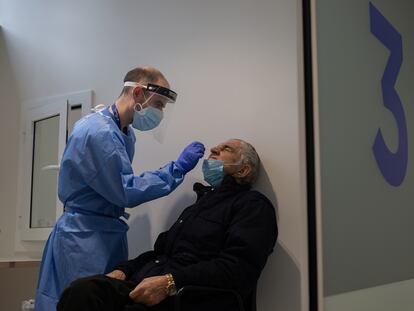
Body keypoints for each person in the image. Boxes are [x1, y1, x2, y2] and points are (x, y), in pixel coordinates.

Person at [35, 66, 205, 311]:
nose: (159, 112)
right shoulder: (98, 132)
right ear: (137, 92)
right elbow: (125, 190)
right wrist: (176, 169)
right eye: (158, 103)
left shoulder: (125, 133)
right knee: (83, 301)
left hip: (105, 232)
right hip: (84, 237)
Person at [57, 139, 278, 311]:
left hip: (187, 296)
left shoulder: (253, 206)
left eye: (225, 148)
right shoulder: (197, 207)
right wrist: (124, 270)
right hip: (149, 284)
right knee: (82, 291)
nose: (214, 148)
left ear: (243, 170)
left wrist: (170, 282)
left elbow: (238, 269)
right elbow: (160, 253)